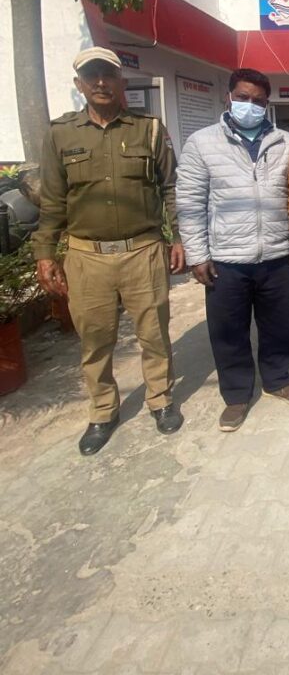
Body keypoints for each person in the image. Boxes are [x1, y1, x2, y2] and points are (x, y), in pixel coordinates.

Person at [33, 47, 185, 455]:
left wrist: (178, 237)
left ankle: (160, 399)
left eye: (108, 75)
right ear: (79, 84)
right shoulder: (61, 134)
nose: (100, 82)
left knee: (153, 334)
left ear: (122, 82)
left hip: (143, 251)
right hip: (87, 256)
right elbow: (52, 200)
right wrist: (45, 253)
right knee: (95, 339)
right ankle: (103, 411)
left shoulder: (148, 130)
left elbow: (170, 187)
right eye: (92, 76)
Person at [176, 68, 289, 432]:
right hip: (226, 257)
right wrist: (197, 254)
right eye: (243, 97)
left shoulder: (286, 142)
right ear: (229, 97)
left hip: (275, 253)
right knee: (229, 330)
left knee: (279, 324)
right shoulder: (202, 143)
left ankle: (278, 378)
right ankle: (236, 394)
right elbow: (190, 202)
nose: (249, 105)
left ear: (267, 103)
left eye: (258, 100)